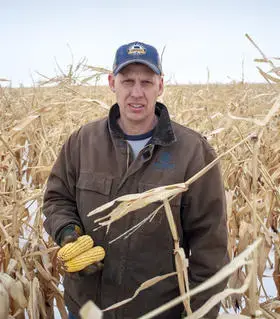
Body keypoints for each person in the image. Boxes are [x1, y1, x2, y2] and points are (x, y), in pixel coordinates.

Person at [43, 41, 229, 319]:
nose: (137, 93)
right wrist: (68, 232)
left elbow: (210, 245)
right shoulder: (82, 142)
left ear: (161, 85)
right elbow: (58, 198)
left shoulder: (193, 151)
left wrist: (199, 312)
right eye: (127, 81)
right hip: (87, 308)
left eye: (147, 81)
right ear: (111, 82)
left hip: (158, 311)